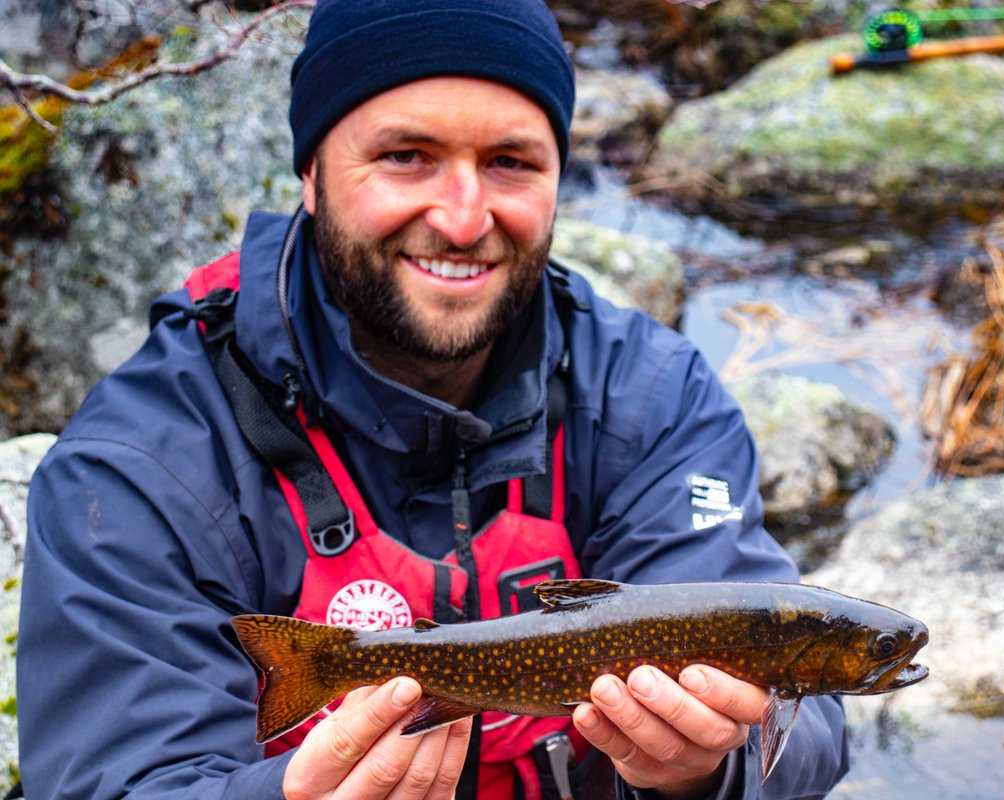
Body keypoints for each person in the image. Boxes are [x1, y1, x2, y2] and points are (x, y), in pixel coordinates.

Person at [15, 0, 849, 798]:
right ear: (311, 172)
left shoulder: (649, 397)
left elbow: (808, 728)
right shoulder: (144, 460)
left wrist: (705, 773)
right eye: (406, 156)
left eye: (511, 162)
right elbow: (113, 778)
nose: (461, 218)